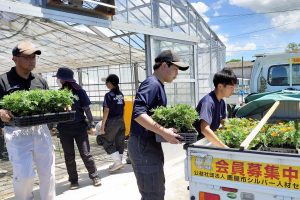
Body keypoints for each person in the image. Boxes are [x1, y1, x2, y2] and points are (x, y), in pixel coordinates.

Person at [128, 49, 189, 200]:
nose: (177, 73)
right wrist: (164, 131)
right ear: (163, 66)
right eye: (175, 69)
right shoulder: (152, 84)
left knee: (155, 189)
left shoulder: (158, 84)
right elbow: (138, 114)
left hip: (147, 144)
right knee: (153, 193)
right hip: (143, 145)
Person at [0, 40, 55, 199]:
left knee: (48, 173)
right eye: (27, 57)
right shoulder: (3, 81)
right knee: (24, 175)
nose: (32, 60)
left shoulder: (40, 81)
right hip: (16, 132)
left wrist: (61, 108)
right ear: (15, 59)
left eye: (34, 57)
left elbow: (50, 104)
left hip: (40, 130)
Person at [54, 67, 101, 189]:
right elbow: (56, 113)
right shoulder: (59, 94)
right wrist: (54, 126)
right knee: (69, 155)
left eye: (58, 78)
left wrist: (91, 124)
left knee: (86, 154)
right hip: (64, 129)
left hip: (80, 127)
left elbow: (86, 109)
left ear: (63, 79)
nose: (58, 80)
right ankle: (73, 180)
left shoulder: (80, 91)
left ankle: (95, 175)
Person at [195, 68, 237, 148]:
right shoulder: (208, 102)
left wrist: (235, 129)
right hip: (201, 144)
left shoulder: (221, 102)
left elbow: (223, 121)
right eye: (231, 87)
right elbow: (204, 129)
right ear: (220, 86)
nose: (233, 90)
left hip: (210, 140)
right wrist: (224, 147)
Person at [99, 74, 126, 172]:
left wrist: (102, 126)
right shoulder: (120, 94)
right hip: (121, 120)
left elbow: (106, 110)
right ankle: (118, 162)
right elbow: (122, 108)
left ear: (110, 83)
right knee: (119, 142)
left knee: (106, 141)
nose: (106, 84)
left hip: (112, 121)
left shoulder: (108, 95)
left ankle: (118, 162)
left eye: (107, 82)